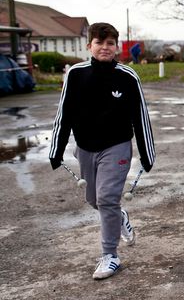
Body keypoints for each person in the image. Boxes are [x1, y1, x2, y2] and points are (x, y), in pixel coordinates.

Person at [49, 22, 155, 280]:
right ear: (89, 46)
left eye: (110, 43)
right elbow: (64, 113)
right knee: (94, 200)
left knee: (107, 199)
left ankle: (110, 256)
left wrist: (147, 153)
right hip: (85, 148)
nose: (105, 47)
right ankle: (119, 216)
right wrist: (56, 148)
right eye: (99, 43)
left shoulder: (127, 76)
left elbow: (140, 115)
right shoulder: (75, 74)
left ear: (116, 47)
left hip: (117, 146)